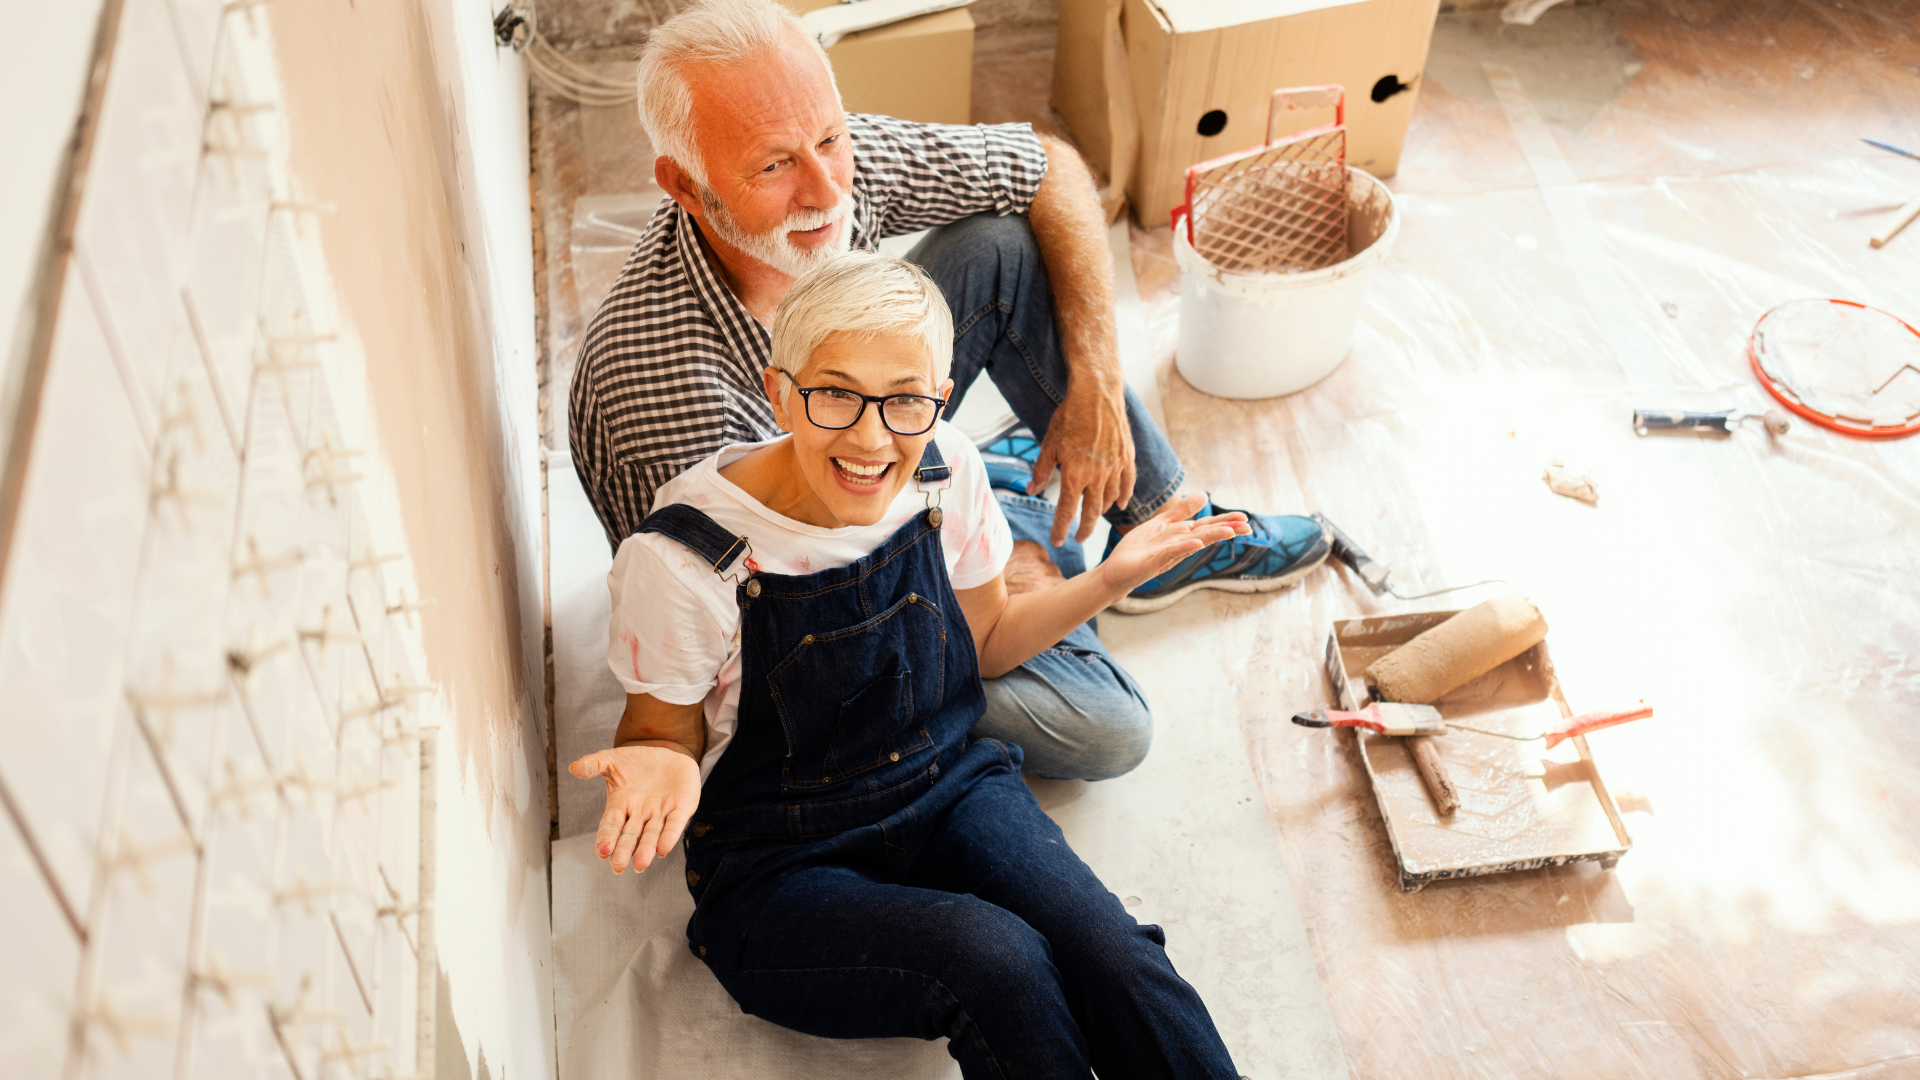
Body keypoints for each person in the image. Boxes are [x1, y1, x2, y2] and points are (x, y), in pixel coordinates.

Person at [568, 0, 1329, 781]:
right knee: (1103, 727)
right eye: (773, 166)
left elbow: (1047, 165)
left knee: (1001, 250)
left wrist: (1098, 378)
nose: (826, 190)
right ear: (685, 187)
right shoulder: (666, 393)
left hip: (855, 451)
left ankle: (1154, 518)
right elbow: (796, 641)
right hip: (792, 607)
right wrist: (1008, 572)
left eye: (830, 139)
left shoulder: (825, 166)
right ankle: (1021, 513)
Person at [573, 253, 1242, 1078]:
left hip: (946, 784)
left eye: (904, 399)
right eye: (834, 393)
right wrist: (659, 760)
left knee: (1114, 955)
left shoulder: (945, 467)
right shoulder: (685, 559)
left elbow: (988, 640)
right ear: (779, 390)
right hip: (778, 864)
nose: (869, 434)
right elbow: (656, 734)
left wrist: (1107, 579)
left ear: (941, 393)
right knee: (996, 959)